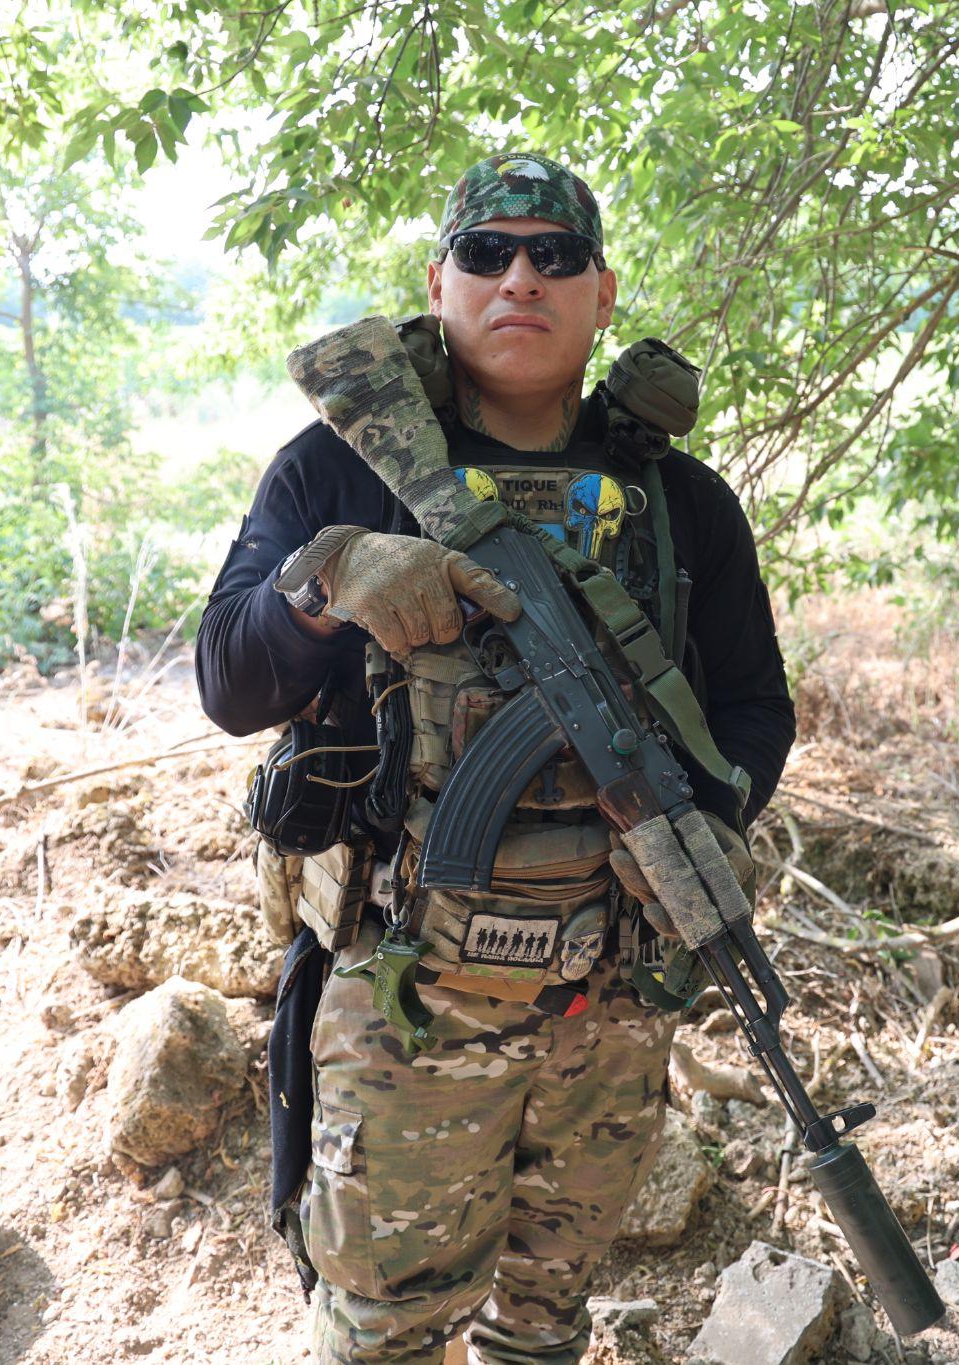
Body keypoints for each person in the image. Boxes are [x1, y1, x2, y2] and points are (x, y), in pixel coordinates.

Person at [196, 151, 796, 1365]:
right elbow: (229, 681)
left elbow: (749, 711)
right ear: (440, 279)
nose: (520, 276)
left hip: (609, 999)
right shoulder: (337, 469)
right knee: (385, 1327)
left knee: (545, 1319)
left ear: (602, 293)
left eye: (555, 256)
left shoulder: (680, 501)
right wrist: (326, 579)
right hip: (404, 997)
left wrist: (706, 824)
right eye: (488, 252)